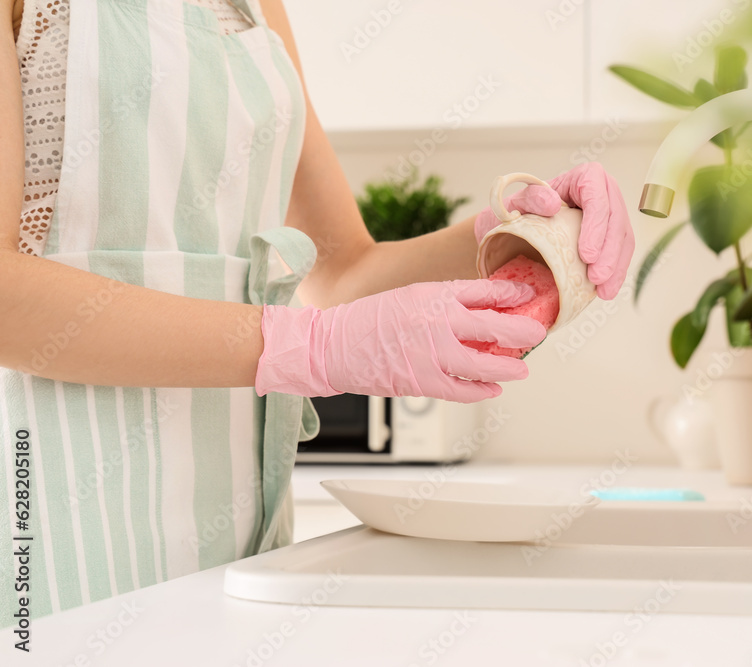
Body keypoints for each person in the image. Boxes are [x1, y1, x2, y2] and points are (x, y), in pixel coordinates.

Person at [0, 0, 634, 622]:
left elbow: (344, 271)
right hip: (49, 516)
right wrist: (314, 346)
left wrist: (516, 237)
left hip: (236, 534)